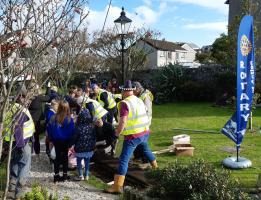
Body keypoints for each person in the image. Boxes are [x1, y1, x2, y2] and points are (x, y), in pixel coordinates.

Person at [106, 80, 157, 194]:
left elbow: (123, 121)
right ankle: (157, 170)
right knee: (146, 150)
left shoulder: (125, 103)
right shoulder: (139, 100)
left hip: (133, 136)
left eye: (121, 90)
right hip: (144, 132)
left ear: (124, 90)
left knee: (124, 159)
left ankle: (117, 186)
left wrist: (116, 134)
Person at [4, 94, 35, 199]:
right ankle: (19, 193)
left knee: (15, 162)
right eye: (28, 98)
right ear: (21, 97)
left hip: (11, 142)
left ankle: (12, 186)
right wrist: (21, 146)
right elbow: (18, 129)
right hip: (21, 143)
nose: (30, 101)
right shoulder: (20, 111)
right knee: (24, 165)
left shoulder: (11, 108)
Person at [47, 100, 75, 182]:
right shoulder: (69, 119)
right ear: (67, 108)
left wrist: (51, 139)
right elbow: (72, 131)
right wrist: (71, 143)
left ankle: (56, 176)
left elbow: (49, 129)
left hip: (56, 140)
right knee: (65, 157)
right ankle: (65, 175)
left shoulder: (53, 117)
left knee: (57, 158)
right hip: (65, 141)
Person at [133, 81, 154, 164]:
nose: (132, 92)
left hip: (144, 123)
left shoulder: (145, 96)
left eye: (133, 90)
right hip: (139, 122)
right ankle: (137, 156)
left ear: (138, 89)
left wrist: (145, 124)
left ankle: (145, 160)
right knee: (137, 140)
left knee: (142, 142)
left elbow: (148, 111)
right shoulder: (140, 95)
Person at [71, 109, 95, 181]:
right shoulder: (91, 127)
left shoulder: (78, 128)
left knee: (79, 162)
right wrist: (93, 146)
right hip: (89, 148)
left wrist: (71, 144)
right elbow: (94, 138)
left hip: (80, 148)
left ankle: (81, 175)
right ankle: (87, 175)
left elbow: (74, 138)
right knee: (87, 162)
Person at [29, 84, 50, 155]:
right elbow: (48, 97)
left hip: (29, 119)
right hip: (36, 119)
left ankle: (31, 150)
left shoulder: (28, 98)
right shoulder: (38, 97)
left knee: (29, 135)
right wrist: (48, 87)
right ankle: (36, 151)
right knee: (36, 136)